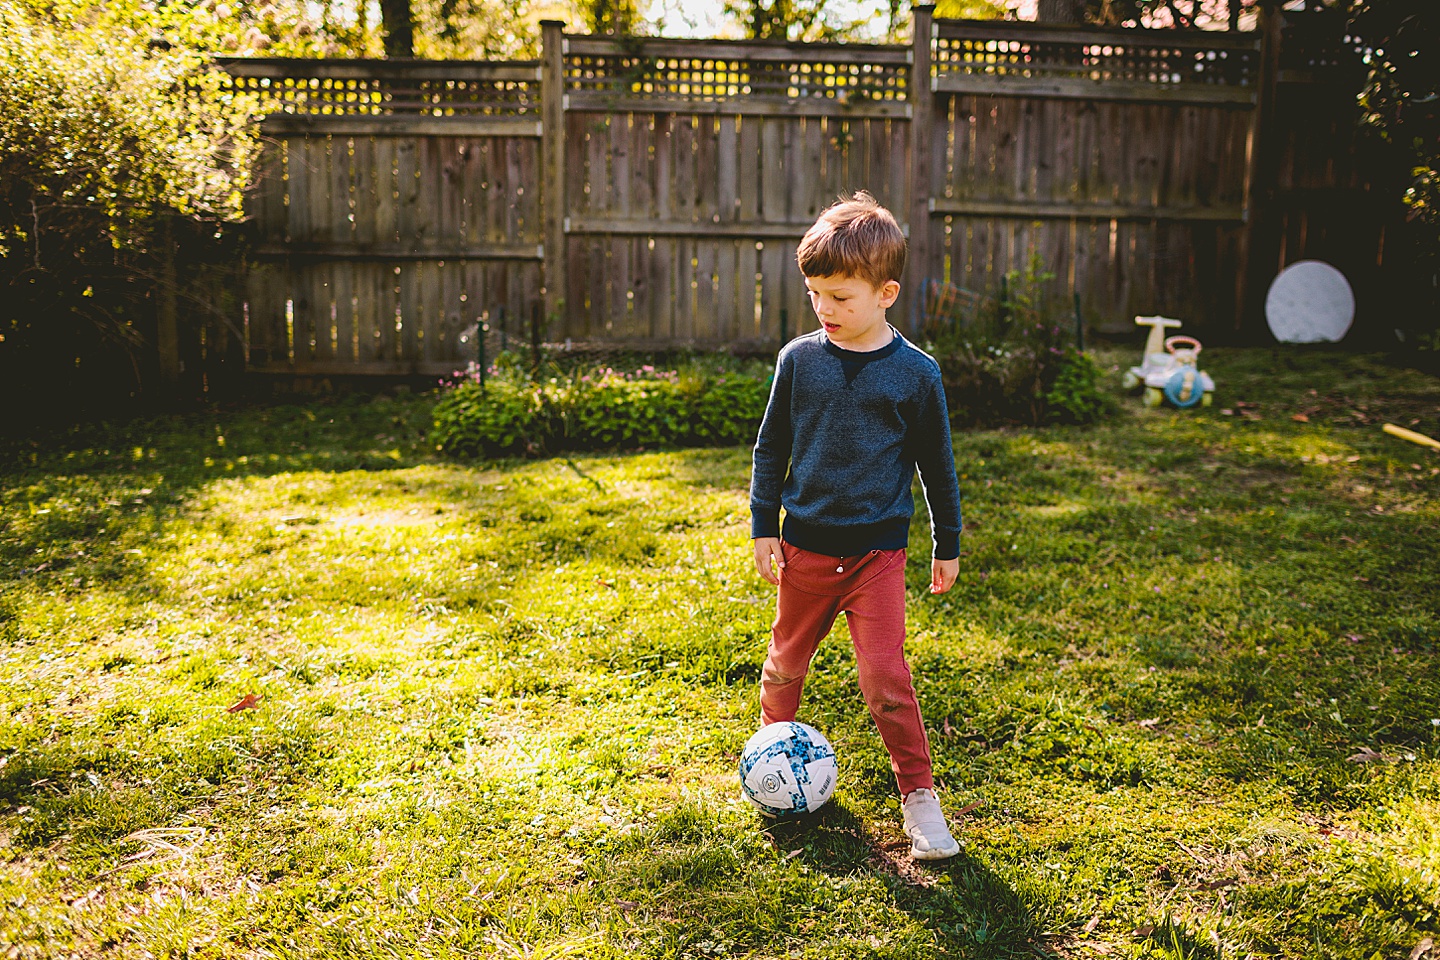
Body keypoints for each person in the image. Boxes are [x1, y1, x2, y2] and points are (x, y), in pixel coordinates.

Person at [749, 191, 964, 861]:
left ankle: (919, 797)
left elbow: (938, 465)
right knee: (785, 663)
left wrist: (947, 541)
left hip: (877, 554)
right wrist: (763, 525)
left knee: (884, 678)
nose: (826, 310)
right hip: (805, 548)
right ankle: (769, 760)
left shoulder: (916, 374)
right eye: (817, 295)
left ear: (886, 293)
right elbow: (770, 448)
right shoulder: (798, 360)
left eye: (841, 297)